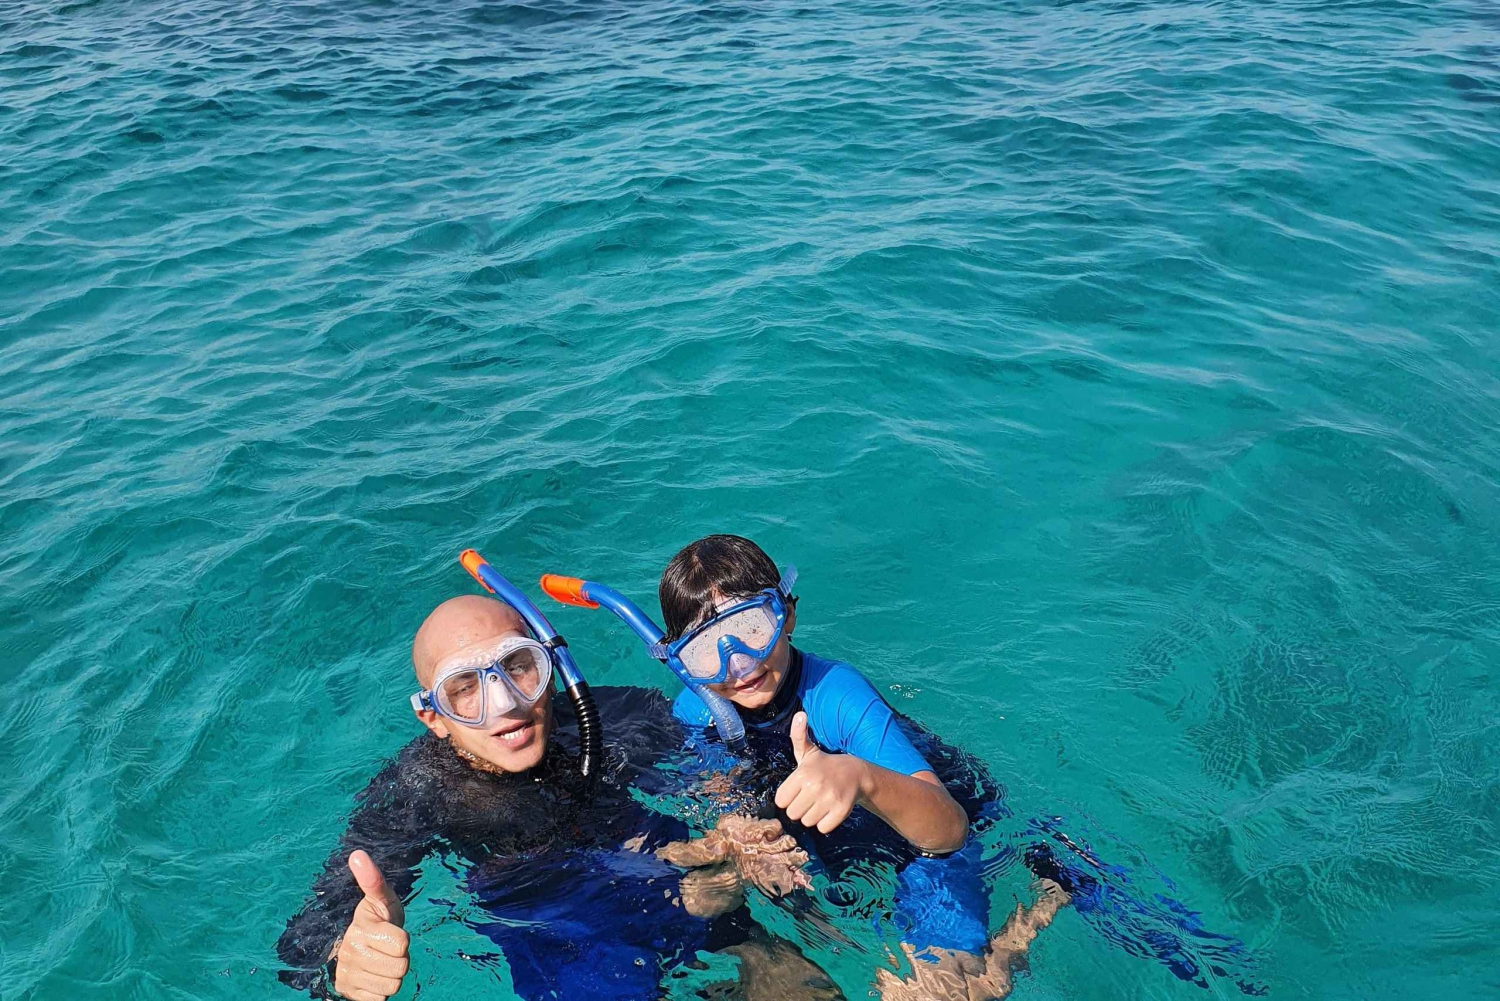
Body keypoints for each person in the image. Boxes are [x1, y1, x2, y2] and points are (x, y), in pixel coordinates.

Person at [276, 589, 832, 1001]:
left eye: (518, 667)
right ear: (433, 717)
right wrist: (343, 958)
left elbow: (725, 769)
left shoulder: (620, 716)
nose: (506, 705)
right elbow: (315, 929)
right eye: (464, 689)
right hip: (559, 929)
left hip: (696, 890)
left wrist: (739, 824)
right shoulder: (417, 789)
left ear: (546, 666)